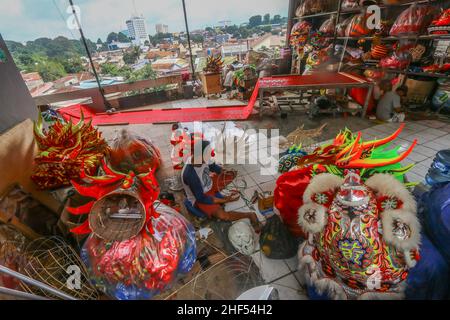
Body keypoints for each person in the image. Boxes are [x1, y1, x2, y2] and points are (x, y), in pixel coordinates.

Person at [181, 139, 261, 229]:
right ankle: (249, 215)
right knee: (223, 216)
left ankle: (218, 194)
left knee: (232, 174)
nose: (210, 156)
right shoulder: (190, 174)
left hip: (209, 184)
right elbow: (202, 198)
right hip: (200, 197)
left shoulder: (203, 158)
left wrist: (223, 170)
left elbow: (213, 167)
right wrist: (225, 200)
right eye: (207, 154)